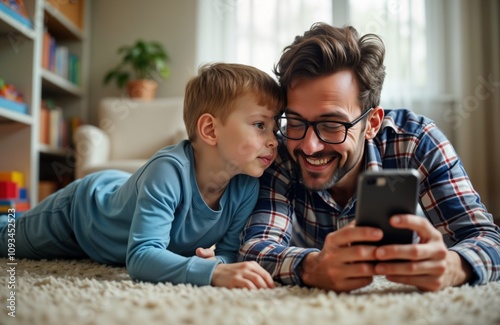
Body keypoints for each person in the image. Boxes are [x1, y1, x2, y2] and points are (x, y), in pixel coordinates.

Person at [238, 23, 500, 292]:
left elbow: (488, 239)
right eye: (295, 121)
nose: (309, 146)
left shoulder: (417, 142)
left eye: (332, 124)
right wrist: (311, 266)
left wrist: (453, 266)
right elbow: (254, 249)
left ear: (372, 123)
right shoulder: (280, 152)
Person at [0, 63, 284, 289]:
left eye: (275, 127)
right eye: (260, 124)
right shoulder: (168, 170)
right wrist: (212, 272)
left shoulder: (247, 185)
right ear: (210, 130)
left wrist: (219, 261)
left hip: (111, 224)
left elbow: (229, 253)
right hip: (79, 215)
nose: (273, 140)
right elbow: (141, 257)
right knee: (8, 239)